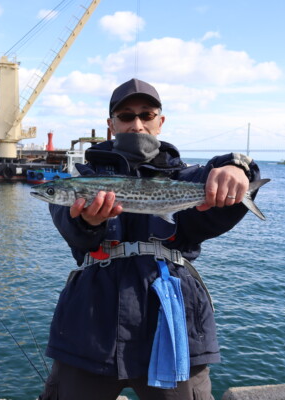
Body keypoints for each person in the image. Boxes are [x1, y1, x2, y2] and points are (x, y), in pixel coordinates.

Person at [39, 78, 261, 400]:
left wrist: (239, 169)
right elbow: (71, 230)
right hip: (89, 327)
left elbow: (217, 199)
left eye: (147, 114)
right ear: (111, 124)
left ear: (161, 121)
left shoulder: (185, 176)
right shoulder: (83, 179)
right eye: (126, 116)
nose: (137, 124)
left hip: (172, 321)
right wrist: (87, 222)